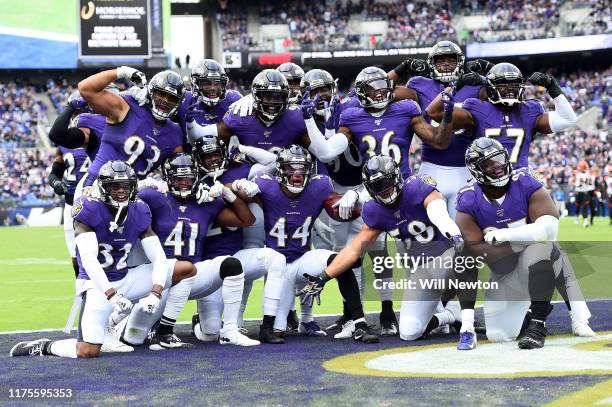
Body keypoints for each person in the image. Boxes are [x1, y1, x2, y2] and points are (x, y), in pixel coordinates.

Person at [9, 161, 179, 358]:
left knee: (184, 269)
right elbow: (89, 260)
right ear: (103, 187)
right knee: (87, 351)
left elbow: (158, 257)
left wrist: (155, 294)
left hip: (126, 276)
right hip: (96, 284)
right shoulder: (89, 208)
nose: (121, 191)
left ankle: (123, 326)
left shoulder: (140, 209)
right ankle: (45, 346)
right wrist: (112, 295)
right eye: (115, 186)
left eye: (125, 186)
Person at [298, 154, 465, 344]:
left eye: (386, 182)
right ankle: (450, 315)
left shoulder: (417, 187)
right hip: (422, 270)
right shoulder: (375, 210)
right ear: (369, 189)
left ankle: (465, 318)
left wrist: (455, 236)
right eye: (377, 186)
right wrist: (324, 276)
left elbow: (439, 214)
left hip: (449, 254)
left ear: (396, 177)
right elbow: (353, 250)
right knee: (409, 332)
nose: (384, 190)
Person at [232, 145, 379, 343]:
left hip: (303, 257)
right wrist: (237, 186)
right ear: (281, 171)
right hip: (278, 263)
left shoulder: (320, 187)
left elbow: (330, 206)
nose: (297, 174)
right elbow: (234, 194)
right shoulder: (266, 185)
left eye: (302, 169)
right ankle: (265, 325)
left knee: (341, 263)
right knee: (278, 329)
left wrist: (347, 203)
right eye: (291, 169)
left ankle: (359, 324)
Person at [455, 138, 563, 349]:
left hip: (537, 260)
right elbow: (472, 251)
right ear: (477, 170)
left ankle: (538, 323)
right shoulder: (468, 199)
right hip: (504, 271)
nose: (498, 166)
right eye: (489, 163)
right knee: (499, 335)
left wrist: (506, 236)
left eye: (499, 159)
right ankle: (531, 311)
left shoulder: (525, 181)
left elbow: (548, 230)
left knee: (541, 248)